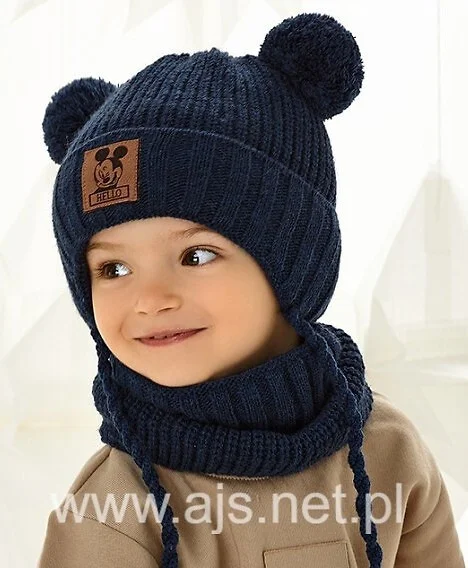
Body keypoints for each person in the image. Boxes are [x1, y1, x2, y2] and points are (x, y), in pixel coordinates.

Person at [37, 12, 465, 568]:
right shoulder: (113, 510)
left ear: (294, 262)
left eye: (196, 255)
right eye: (113, 269)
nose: (150, 298)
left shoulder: (389, 453)